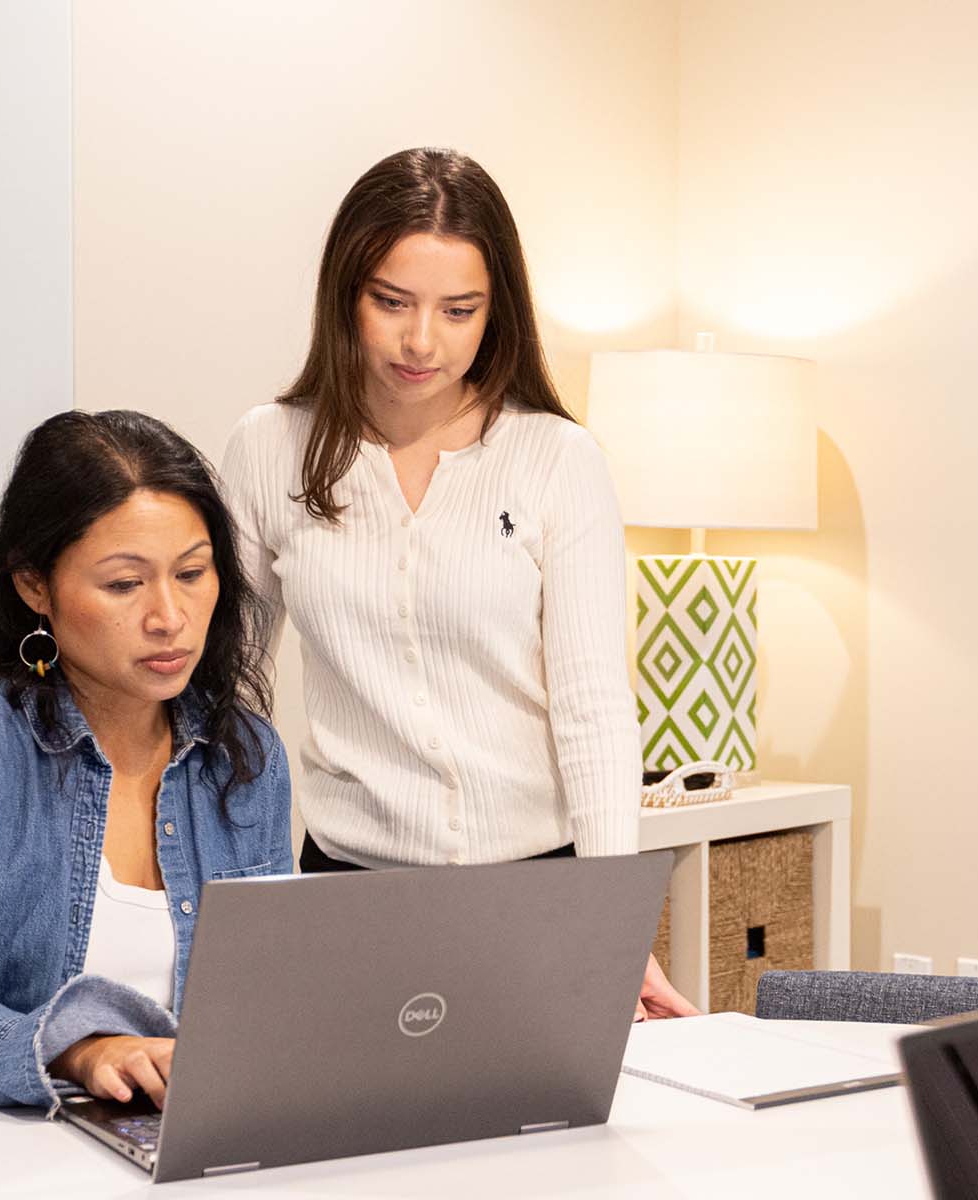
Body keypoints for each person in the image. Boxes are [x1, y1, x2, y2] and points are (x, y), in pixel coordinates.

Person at [220, 147, 695, 1019]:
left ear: (496, 311)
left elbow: (593, 706)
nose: (420, 342)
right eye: (390, 302)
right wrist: (242, 896)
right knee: (352, 1144)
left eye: (458, 309)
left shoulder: (556, 458)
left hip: (535, 893)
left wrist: (615, 924)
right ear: (344, 296)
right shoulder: (268, 449)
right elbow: (231, 694)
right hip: (346, 891)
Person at [0, 410, 290, 1122]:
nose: (170, 616)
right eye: (125, 585)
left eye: (193, 573)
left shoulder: (241, 757)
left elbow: (265, 1001)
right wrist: (78, 1048)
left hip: (152, 1146)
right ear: (36, 585)